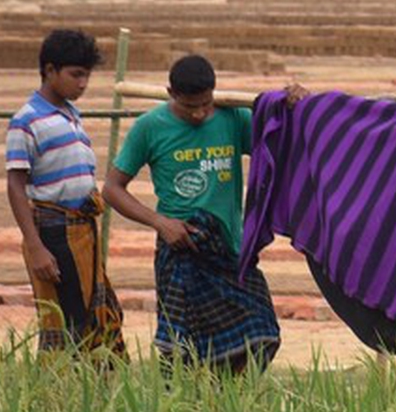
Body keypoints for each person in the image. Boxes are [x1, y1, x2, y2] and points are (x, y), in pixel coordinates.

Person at [105, 54, 299, 373]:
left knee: (262, 333)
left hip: (228, 248)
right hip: (181, 249)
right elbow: (112, 188)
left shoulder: (233, 119)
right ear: (171, 94)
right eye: (189, 107)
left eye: (205, 105)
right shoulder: (149, 128)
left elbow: (281, 142)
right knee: (182, 349)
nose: (198, 113)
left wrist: (290, 106)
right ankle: (188, 408)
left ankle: (228, 399)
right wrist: (160, 222)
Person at [5, 29, 125, 358]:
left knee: (98, 312)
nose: (83, 83)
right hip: (55, 230)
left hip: (81, 228)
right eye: (76, 75)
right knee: (72, 317)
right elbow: (15, 184)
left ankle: (101, 388)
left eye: (87, 75)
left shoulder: (72, 114)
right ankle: (66, 393)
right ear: (50, 70)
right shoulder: (27, 120)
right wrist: (35, 246)